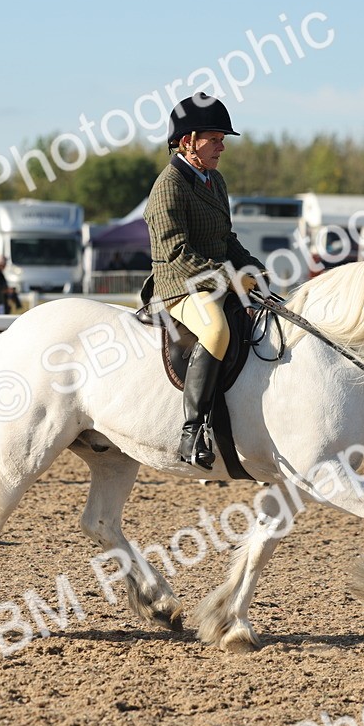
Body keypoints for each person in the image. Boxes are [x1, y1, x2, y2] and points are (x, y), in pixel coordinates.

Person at [140, 92, 267, 470]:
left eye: (221, 139)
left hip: (212, 278)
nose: (222, 146)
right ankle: (193, 431)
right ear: (187, 142)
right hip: (180, 286)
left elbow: (226, 239)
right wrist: (229, 279)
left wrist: (252, 269)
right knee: (216, 333)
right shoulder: (168, 186)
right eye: (214, 139)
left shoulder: (215, 180)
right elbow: (177, 253)